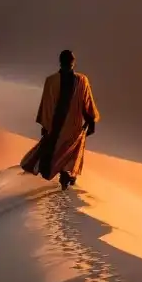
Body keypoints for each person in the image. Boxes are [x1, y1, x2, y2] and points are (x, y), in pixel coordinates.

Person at [34, 50, 100, 190]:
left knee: (61, 151)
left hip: (62, 126)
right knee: (66, 152)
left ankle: (65, 176)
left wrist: (45, 126)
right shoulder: (80, 80)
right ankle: (65, 177)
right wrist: (91, 121)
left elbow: (46, 105)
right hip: (68, 126)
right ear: (73, 62)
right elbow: (47, 104)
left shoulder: (61, 80)